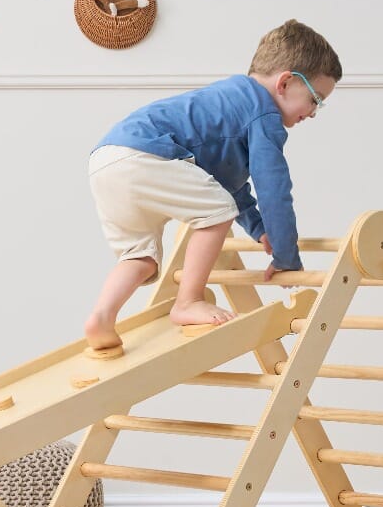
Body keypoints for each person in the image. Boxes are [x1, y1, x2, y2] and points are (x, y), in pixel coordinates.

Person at [84, 19, 341, 353]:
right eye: (315, 99)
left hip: (106, 159)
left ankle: (101, 317)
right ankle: (188, 301)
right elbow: (273, 187)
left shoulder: (232, 101)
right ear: (286, 82)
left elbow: (227, 183)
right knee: (217, 214)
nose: (314, 112)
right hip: (146, 155)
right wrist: (285, 254)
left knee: (140, 256)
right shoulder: (264, 115)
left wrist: (259, 228)